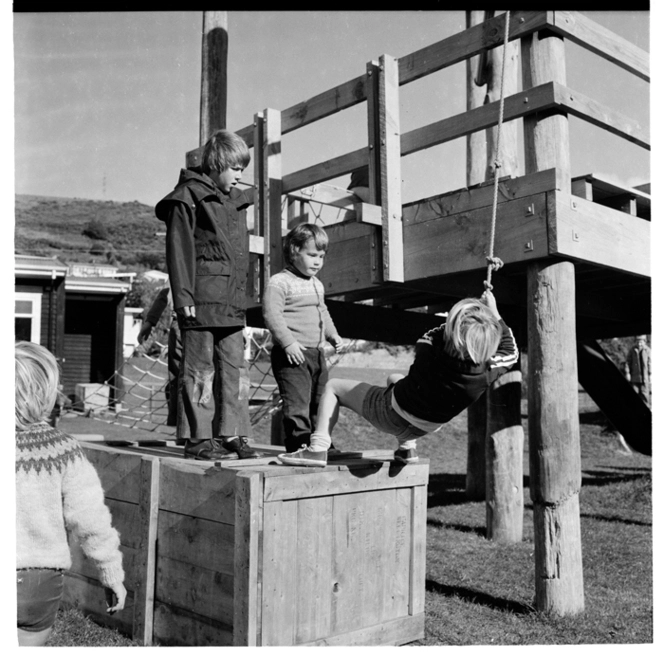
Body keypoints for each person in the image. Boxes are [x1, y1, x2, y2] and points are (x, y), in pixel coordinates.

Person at [279, 290, 518, 467]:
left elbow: (431, 335)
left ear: (452, 332)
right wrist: (494, 314)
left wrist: (464, 318)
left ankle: (317, 449)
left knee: (333, 386)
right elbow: (512, 351)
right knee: (394, 378)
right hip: (425, 426)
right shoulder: (486, 371)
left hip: (390, 414)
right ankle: (406, 449)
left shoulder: (430, 351)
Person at [155, 129, 259, 460]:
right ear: (216, 163)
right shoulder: (187, 196)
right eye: (236, 169)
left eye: (243, 169)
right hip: (199, 303)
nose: (240, 176)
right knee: (199, 370)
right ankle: (198, 437)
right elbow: (179, 250)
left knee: (236, 370)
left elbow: (240, 255)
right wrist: (183, 298)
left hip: (232, 303)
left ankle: (233, 433)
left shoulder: (235, 201)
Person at [15, 341, 127, 646]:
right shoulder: (63, 450)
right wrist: (111, 573)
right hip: (39, 583)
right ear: (45, 393)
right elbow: (92, 520)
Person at [263, 223, 343, 453]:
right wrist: (288, 343)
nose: (318, 261)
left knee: (321, 401)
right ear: (295, 250)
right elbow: (271, 314)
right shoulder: (279, 282)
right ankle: (299, 444)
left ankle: (320, 443)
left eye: (322, 256)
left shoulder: (316, 284)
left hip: (317, 354)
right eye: (312, 255)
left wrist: (333, 335)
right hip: (292, 355)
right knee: (297, 404)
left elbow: (323, 312)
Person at [137, 284, 183, 435]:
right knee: (180, 380)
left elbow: (165, 292)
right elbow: (166, 292)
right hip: (189, 323)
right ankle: (186, 430)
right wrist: (150, 321)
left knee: (180, 380)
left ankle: (185, 430)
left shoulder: (182, 262)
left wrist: (150, 321)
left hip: (188, 322)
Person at [624, 334, 651, 406]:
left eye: (641, 342)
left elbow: (650, 363)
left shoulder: (648, 350)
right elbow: (627, 362)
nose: (639, 344)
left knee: (645, 395)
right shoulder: (632, 350)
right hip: (634, 378)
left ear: (644, 342)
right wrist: (627, 373)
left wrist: (650, 374)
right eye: (637, 342)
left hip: (645, 378)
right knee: (634, 396)